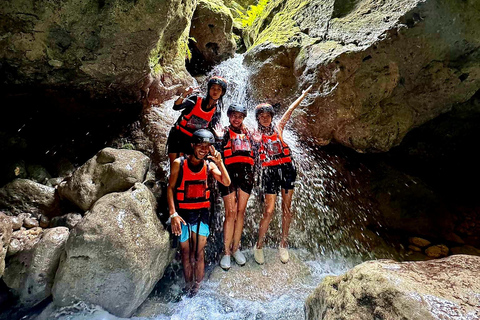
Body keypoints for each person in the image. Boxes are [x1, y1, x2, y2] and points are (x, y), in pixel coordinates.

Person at [252, 85, 312, 264]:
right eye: (261, 116)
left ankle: (283, 244)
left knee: (287, 209)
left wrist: (302, 95)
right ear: (257, 118)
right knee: (269, 210)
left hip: (287, 169)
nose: (265, 119)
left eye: (267, 116)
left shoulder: (278, 128)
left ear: (271, 117)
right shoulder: (254, 134)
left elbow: (290, 110)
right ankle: (259, 245)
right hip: (270, 173)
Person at [167, 129, 231, 294]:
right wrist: (173, 214)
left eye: (207, 146)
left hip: (202, 214)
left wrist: (220, 162)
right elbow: (171, 188)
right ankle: (188, 284)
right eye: (200, 145)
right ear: (193, 145)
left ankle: (198, 288)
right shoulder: (179, 163)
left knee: (199, 252)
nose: (204, 149)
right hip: (183, 215)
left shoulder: (209, 165)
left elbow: (226, 181)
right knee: (186, 252)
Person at [215, 104, 255, 271]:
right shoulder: (223, 132)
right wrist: (217, 138)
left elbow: (257, 150)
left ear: (243, 118)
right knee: (230, 213)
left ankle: (236, 248)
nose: (236, 119)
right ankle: (226, 252)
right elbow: (216, 154)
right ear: (229, 116)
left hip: (246, 176)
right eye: (234, 115)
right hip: (228, 176)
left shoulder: (249, 134)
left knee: (240, 212)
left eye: (239, 116)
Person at [167, 76, 228, 167]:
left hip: (192, 141)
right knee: (174, 165)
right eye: (213, 88)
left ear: (222, 92)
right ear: (209, 89)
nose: (215, 91)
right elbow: (176, 107)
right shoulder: (196, 100)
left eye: (218, 89)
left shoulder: (216, 111)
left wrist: (219, 137)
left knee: (185, 168)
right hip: (177, 135)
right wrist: (184, 94)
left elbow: (211, 130)